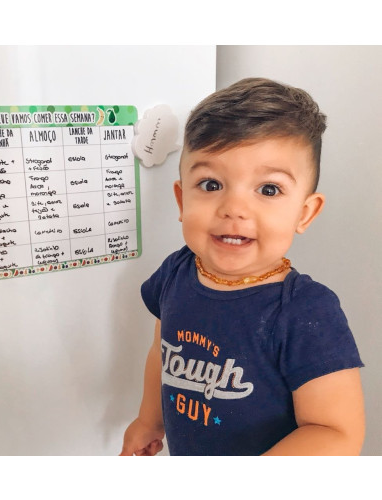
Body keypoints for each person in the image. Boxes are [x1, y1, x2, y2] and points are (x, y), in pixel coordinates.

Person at [120, 78, 365, 456]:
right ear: (182, 200)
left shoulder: (305, 310)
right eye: (211, 184)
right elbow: (161, 351)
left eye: (268, 189)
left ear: (304, 213)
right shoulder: (176, 272)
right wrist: (149, 420)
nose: (234, 209)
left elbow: (337, 433)